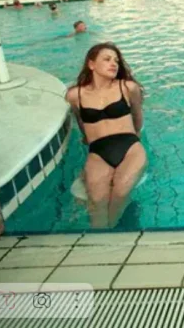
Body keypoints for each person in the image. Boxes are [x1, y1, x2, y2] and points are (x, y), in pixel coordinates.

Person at [64, 43, 146, 229]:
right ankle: (100, 238)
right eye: (107, 59)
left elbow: (137, 117)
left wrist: (136, 135)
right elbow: (81, 121)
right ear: (91, 64)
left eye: (116, 60)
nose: (114, 64)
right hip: (98, 152)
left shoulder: (127, 87)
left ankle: (112, 233)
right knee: (97, 201)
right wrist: (87, 139)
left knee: (121, 191)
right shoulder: (75, 95)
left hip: (130, 148)